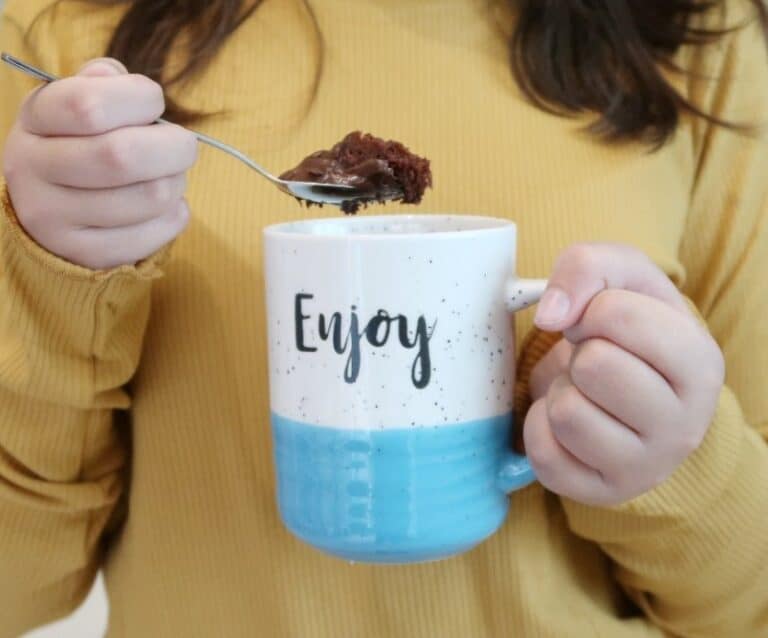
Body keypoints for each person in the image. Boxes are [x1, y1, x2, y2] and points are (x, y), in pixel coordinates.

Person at [0, 0, 766, 636]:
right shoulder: (66, 53)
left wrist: (672, 460)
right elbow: (18, 590)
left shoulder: (699, 34)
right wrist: (50, 274)